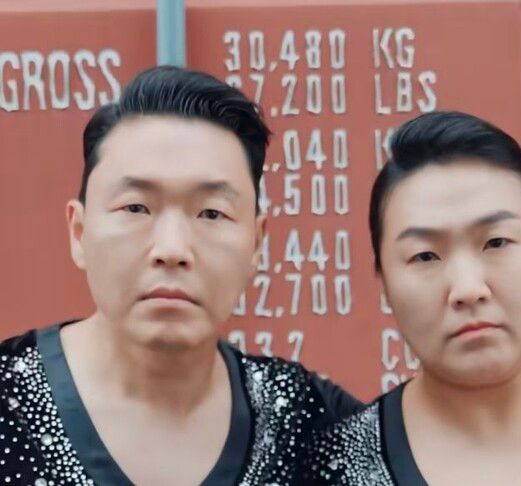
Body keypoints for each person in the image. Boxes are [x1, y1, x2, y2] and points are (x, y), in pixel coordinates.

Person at [0, 66, 362, 485]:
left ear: (256, 244)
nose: (172, 250)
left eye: (211, 213)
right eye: (136, 208)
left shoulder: (309, 426)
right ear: (79, 232)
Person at [300, 111, 521, 485]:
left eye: (497, 242)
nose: (468, 289)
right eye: (425, 256)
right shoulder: (336, 466)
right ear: (383, 281)